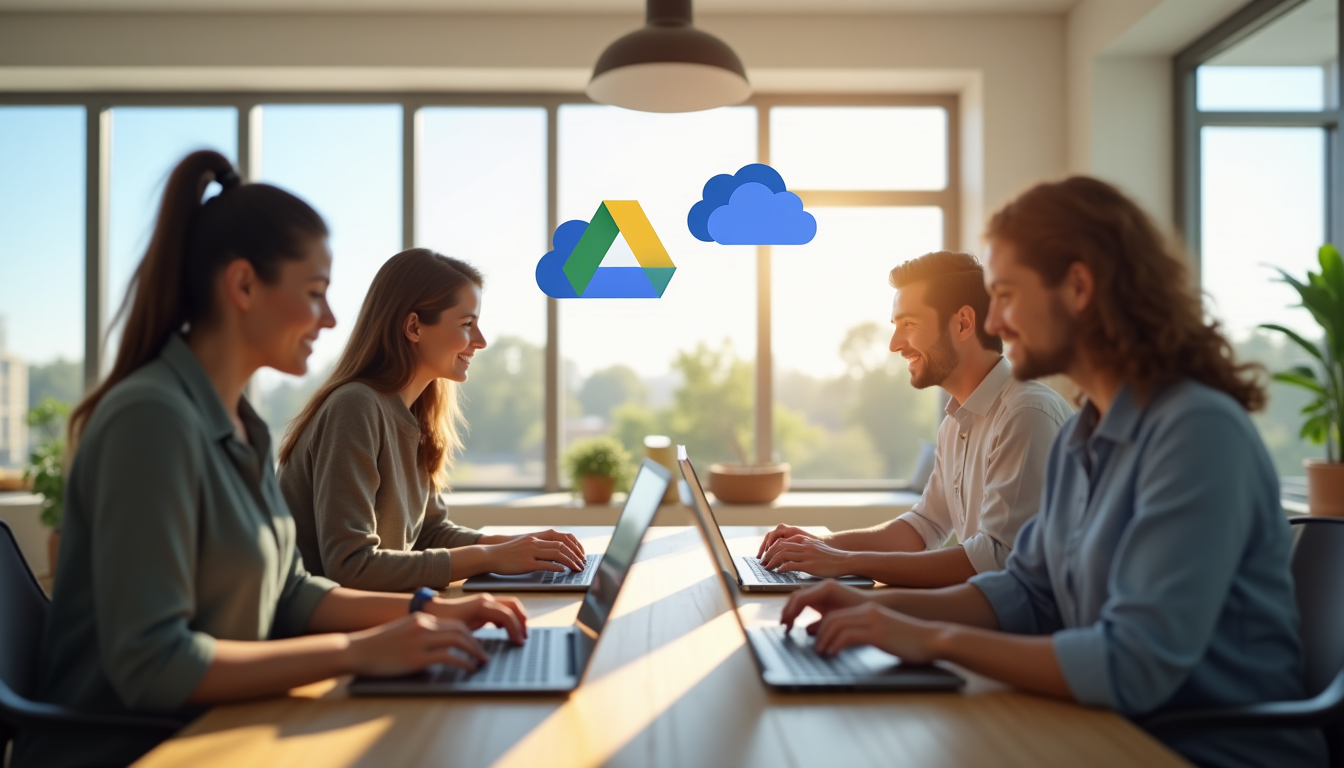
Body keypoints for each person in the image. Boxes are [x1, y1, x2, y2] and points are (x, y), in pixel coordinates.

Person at [779, 177, 1326, 768]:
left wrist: (932, 636)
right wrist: (875, 609)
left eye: (1007, 295)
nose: (999, 321)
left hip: (1202, 750)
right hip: (1107, 728)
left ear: (1079, 287)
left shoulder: (1197, 432)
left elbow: (1133, 663)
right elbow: (1027, 592)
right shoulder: (1086, 434)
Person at [13, 151, 528, 768]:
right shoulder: (148, 420)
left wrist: (433, 612)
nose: (331, 318)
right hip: (142, 748)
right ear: (243, 285)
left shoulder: (240, 423)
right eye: (315, 293)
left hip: (229, 723)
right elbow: (153, 664)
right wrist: (355, 653)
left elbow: (292, 594)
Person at [275, 250, 585, 593]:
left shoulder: (417, 413)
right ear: (413, 327)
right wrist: (489, 556)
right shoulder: (355, 407)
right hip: (322, 635)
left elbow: (429, 532)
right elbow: (351, 567)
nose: (480, 341)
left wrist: (518, 545)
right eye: (467, 324)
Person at [757, 251, 1072, 587]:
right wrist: (820, 546)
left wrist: (847, 561)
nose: (894, 344)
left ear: (963, 323)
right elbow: (925, 525)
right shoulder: (956, 422)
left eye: (909, 324)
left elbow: (994, 559)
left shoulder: (1025, 415)